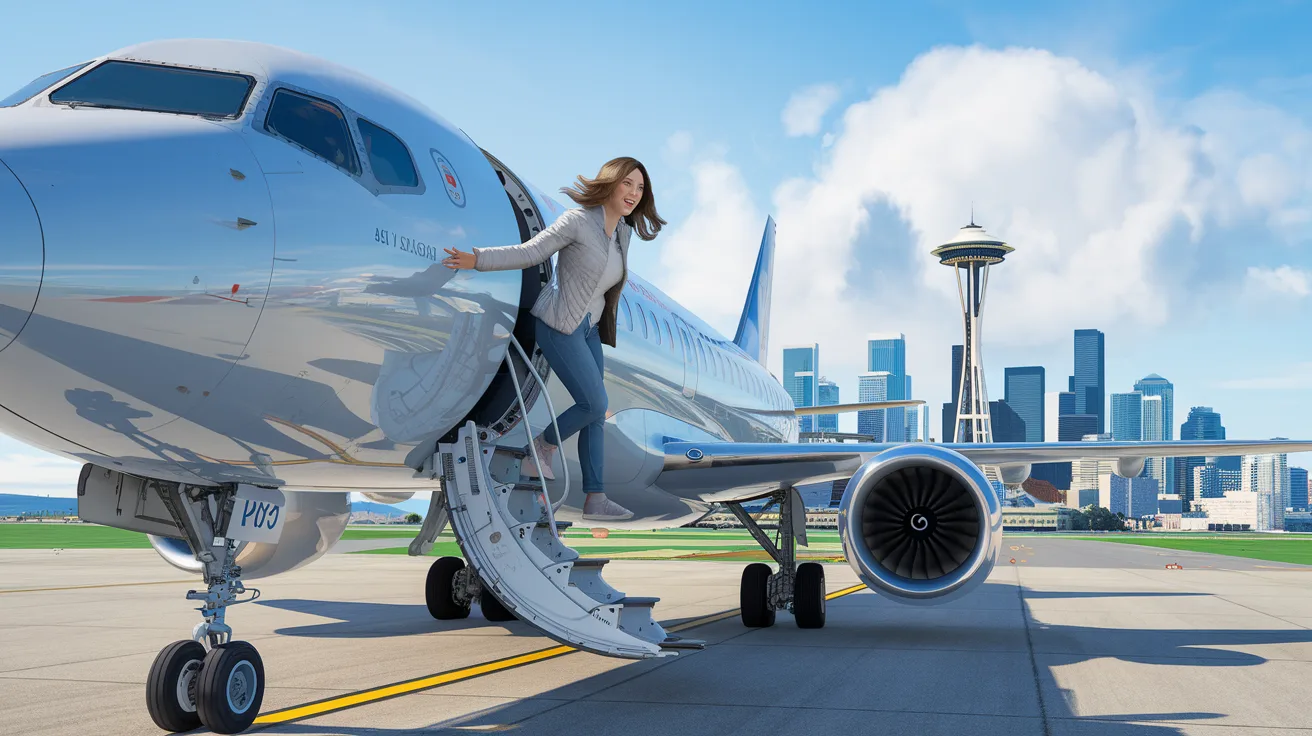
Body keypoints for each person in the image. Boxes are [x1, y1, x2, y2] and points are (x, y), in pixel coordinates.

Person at [441, 157, 665, 522]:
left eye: (640, 188)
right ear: (610, 183)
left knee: (596, 415)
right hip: (560, 326)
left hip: (590, 330)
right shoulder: (576, 221)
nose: (634, 194)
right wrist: (476, 259)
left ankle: (596, 497)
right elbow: (530, 252)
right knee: (594, 403)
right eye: (628, 184)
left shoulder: (622, 232)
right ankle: (541, 448)